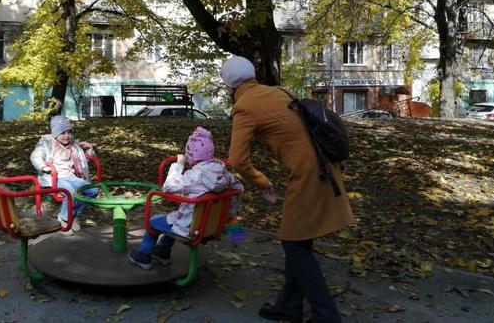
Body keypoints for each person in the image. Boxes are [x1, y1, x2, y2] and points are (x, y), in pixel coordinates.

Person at [221, 56, 354, 323]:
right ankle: (288, 307)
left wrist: (261, 181)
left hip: (308, 176)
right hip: (326, 166)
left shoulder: (244, 106)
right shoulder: (278, 91)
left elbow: (237, 159)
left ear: (229, 86)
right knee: (298, 241)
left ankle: (327, 316)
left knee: (294, 244)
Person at [127, 126, 243, 270]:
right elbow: (238, 189)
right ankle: (163, 251)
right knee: (172, 218)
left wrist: (178, 165)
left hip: (190, 227)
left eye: (187, 156)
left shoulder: (194, 176)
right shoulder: (224, 173)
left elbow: (168, 187)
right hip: (209, 226)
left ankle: (144, 256)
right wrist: (229, 215)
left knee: (153, 222)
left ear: (191, 157)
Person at [30, 115, 99, 235]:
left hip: (72, 177)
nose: (67, 136)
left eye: (69, 132)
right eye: (63, 133)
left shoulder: (73, 145)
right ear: (55, 133)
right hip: (55, 177)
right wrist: (43, 167)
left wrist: (88, 150)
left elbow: (83, 162)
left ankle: (74, 214)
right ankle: (64, 219)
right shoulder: (46, 143)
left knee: (93, 190)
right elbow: (35, 156)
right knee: (70, 192)